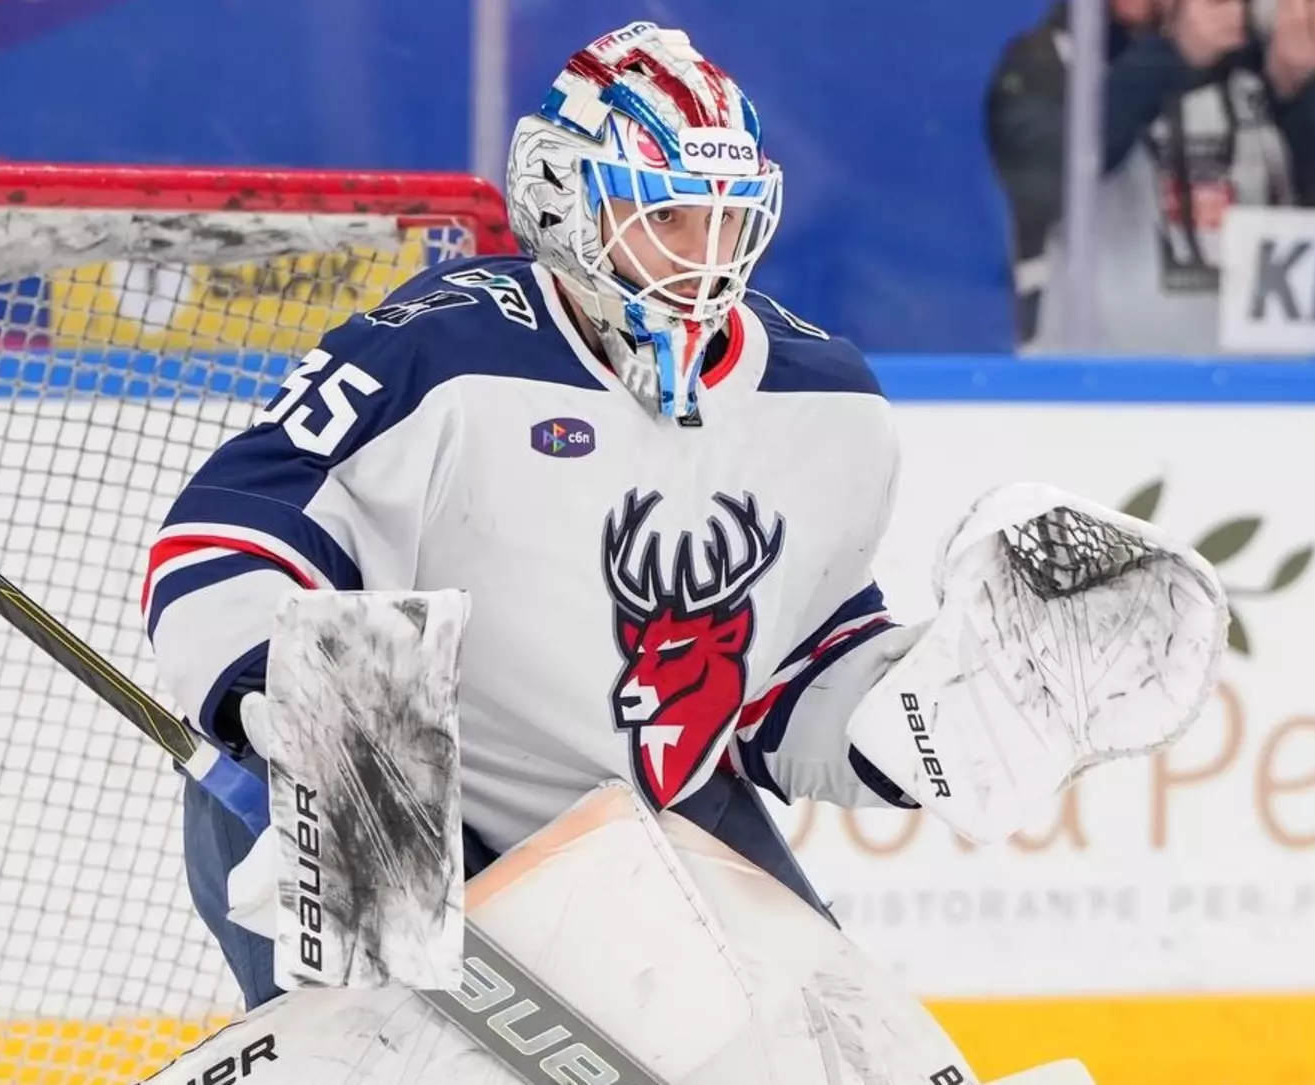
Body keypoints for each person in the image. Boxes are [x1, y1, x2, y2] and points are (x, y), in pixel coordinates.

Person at [145, 20, 926, 1010]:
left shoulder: (827, 403)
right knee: (380, 1058)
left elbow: (780, 685)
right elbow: (224, 537)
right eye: (668, 216)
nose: (704, 260)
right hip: (390, 801)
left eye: (727, 221)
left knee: (831, 1042)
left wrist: (928, 717)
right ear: (566, 199)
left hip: (643, 824)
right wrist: (281, 705)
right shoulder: (438, 351)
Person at [985, 0, 1315, 354]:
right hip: (1101, 395)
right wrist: (1174, 56)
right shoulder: (1054, 60)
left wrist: (1302, 93)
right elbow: (1039, 173)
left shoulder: (1263, 68)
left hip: (1263, 396)